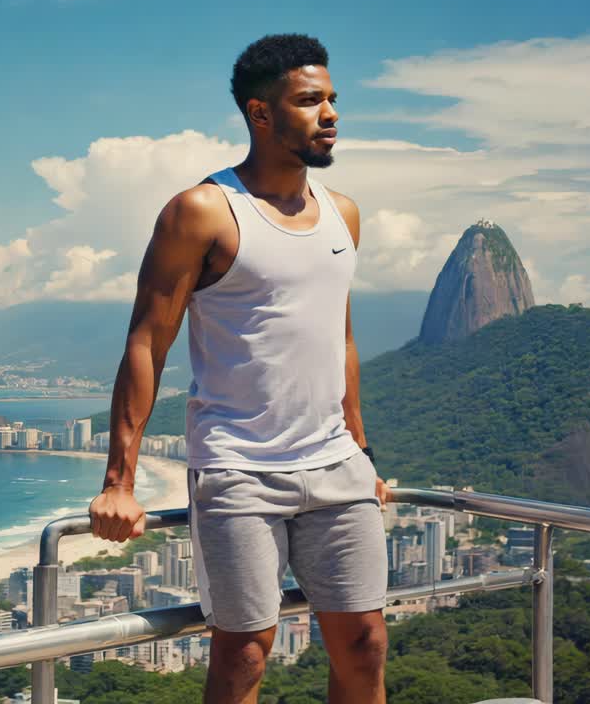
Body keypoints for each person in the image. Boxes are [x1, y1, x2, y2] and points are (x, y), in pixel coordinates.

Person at [88, 34, 391, 704]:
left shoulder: (343, 214)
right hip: (238, 467)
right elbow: (146, 344)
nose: (330, 113)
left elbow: (339, 340)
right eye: (309, 101)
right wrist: (120, 482)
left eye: (332, 99)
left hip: (337, 465)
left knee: (365, 644)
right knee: (244, 657)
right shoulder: (202, 211)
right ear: (261, 113)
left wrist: (363, 453)